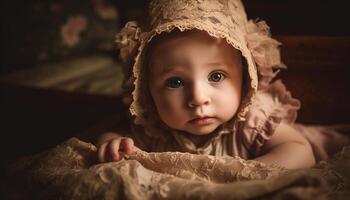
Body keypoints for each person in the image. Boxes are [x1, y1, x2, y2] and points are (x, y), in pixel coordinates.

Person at [96, 0, 349, 169]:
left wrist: (245, 180)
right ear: (146, 89)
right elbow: (117, 136)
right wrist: (113, 143)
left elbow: (301, 153)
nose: (198, 98)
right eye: (175, 81)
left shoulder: (253, 119)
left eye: (216, 76)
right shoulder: (153, 126)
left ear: (246, 75)